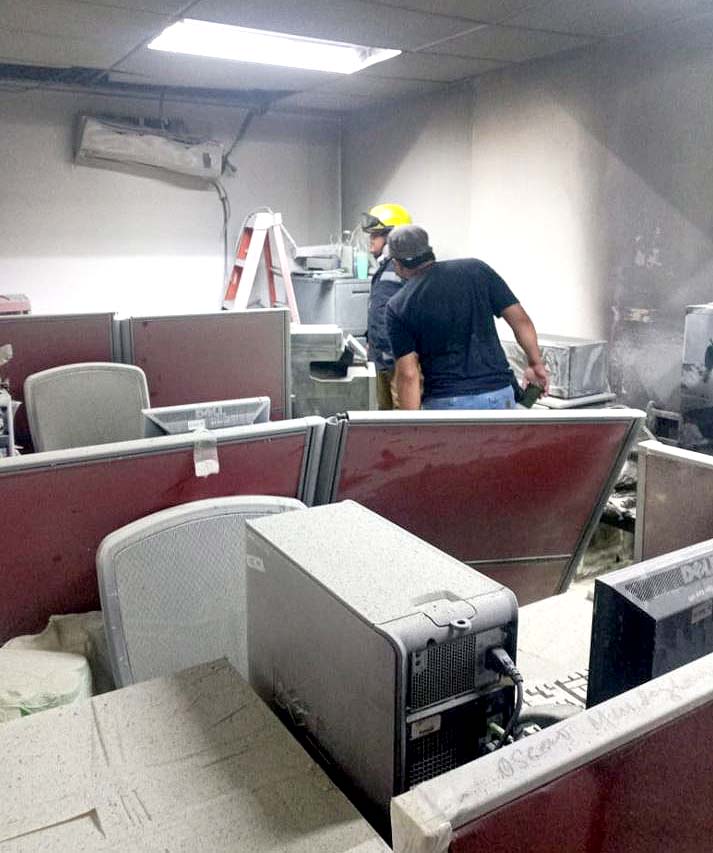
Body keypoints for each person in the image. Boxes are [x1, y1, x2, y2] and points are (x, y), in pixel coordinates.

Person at [384, 225, 548, 410]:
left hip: (446, 403)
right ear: (430, 252)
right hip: (498, 394)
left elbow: (408, 375)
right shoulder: (476, 269)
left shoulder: (398, 305)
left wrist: (412, 429)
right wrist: (535, 364)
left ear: (397, 264)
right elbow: (520, 321)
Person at [360, 202, 413, 409]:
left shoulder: (400, 269)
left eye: (376, 235)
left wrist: (388, 353)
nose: (370, 241)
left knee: (402, 420)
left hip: (396, 362)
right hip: (382, 359)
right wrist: (369, 340)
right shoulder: (385, 269)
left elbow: (392, 315)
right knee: (385, 418)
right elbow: (379, 310)